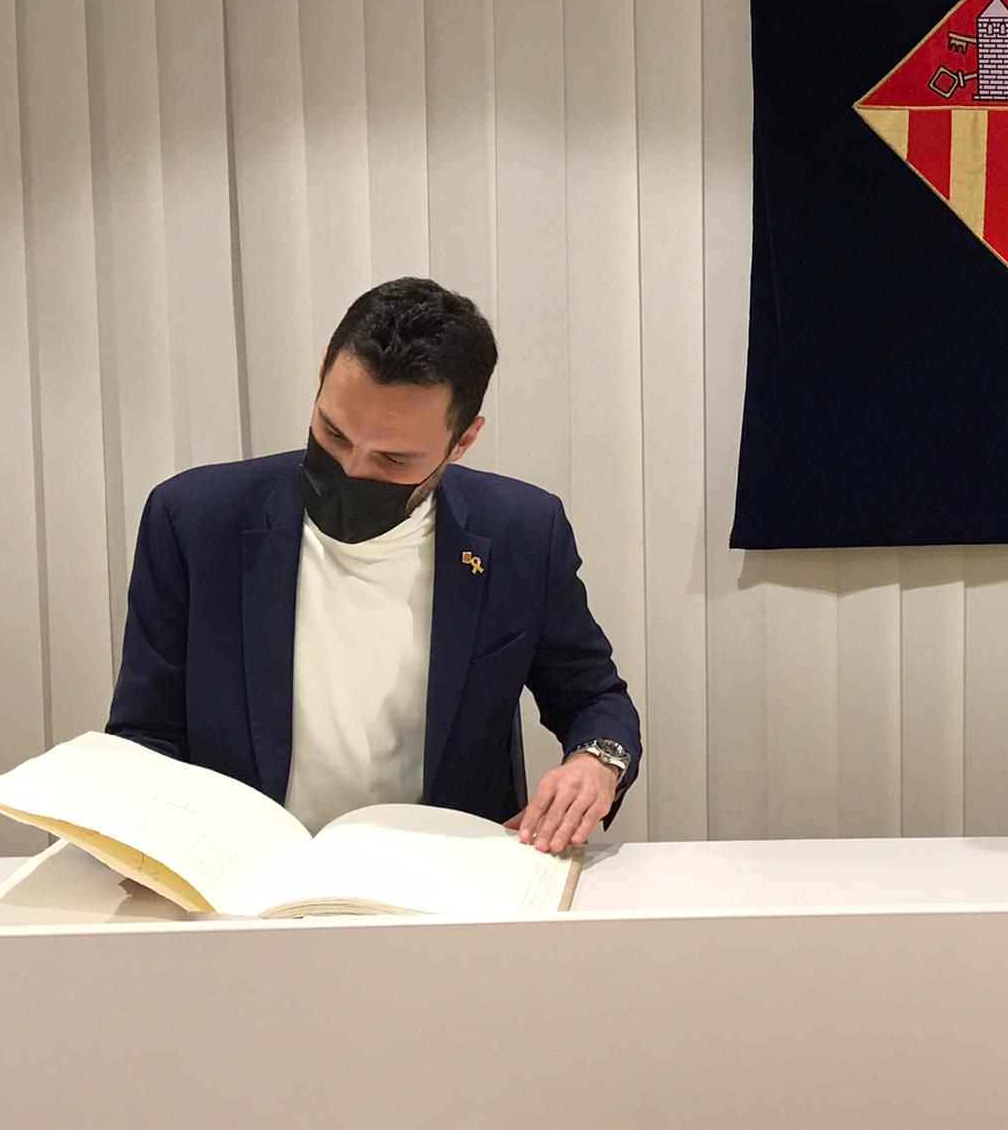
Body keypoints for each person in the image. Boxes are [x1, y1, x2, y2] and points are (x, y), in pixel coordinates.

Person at [106, 277, 639, 855]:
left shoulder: (521, 533)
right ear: (321, 378)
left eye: (393, 458)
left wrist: (596, 763)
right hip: (241, 873)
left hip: (443, 874)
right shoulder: (195, 519)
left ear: (462, 442)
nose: (353, 469)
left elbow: (593, 698)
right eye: (333, 432)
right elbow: (146, 730)